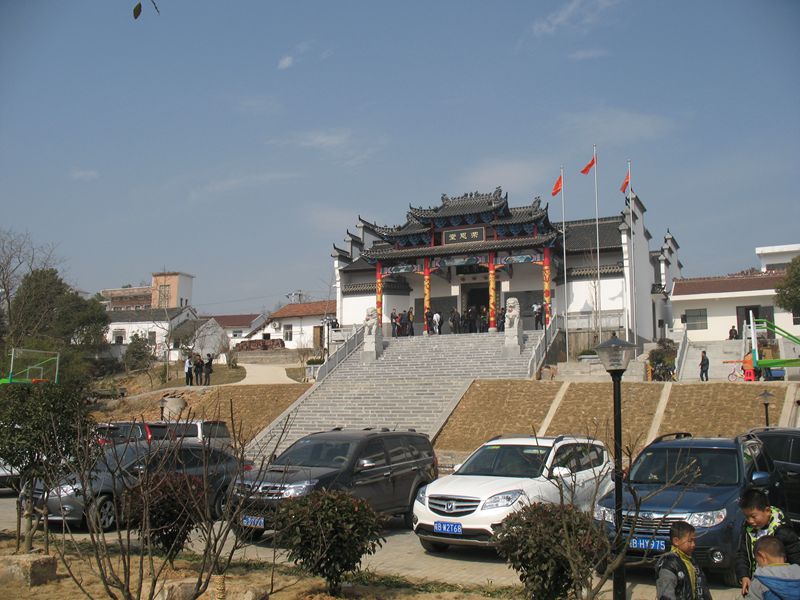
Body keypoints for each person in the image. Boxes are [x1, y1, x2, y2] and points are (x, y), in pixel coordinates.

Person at [736, 488, 800, 596]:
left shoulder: (783, 530)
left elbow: (796, 558)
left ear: (767, 511)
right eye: (746, 517)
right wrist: (744, 576)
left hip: (779, 585)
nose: (750, 521)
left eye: (753, 516)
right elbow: (742, 554)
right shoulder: (747, 528)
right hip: (758, 583)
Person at [655, 520, 712, 600]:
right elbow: (666, 595)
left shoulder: (692, 560)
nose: (693, 544)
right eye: (690, 541)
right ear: (676, 541)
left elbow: (702, 587)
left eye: (694, 540)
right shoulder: (669, 565)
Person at [745, 535, 800, 599]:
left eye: (757, 561)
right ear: (784, 557)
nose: (758, 565)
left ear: (762, 556)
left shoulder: (759, 582)